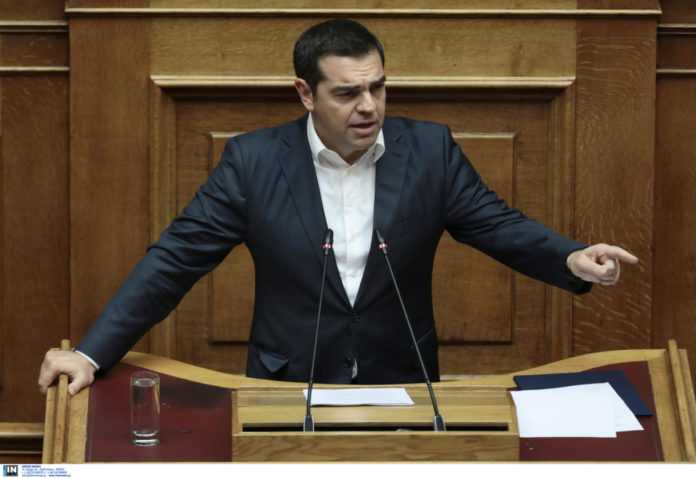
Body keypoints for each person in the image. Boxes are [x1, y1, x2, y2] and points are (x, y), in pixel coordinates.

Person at [39, 19, 638, 396]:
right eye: (347, 92)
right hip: (285, 385)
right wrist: (92, 353)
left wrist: (571, 258)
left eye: (377, 87)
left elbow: (495, 224)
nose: (368, 106)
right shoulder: (252, 162)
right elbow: (175, 261)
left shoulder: (429, 150)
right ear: (306, 93)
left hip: (403, 381)